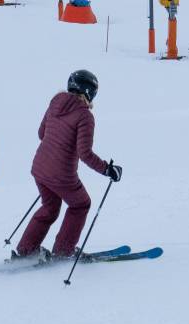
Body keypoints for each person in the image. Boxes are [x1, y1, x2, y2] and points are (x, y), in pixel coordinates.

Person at [14, 70, 121, 261]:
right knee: (81, 204)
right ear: (90, 92)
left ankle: (25, 251)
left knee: (49, 207)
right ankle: (63, 252)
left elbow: (41, 133)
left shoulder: (56, 101)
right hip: (61, 174)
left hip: (40, 168)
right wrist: (107, 169)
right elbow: (85, 154)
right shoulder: (85, 116)